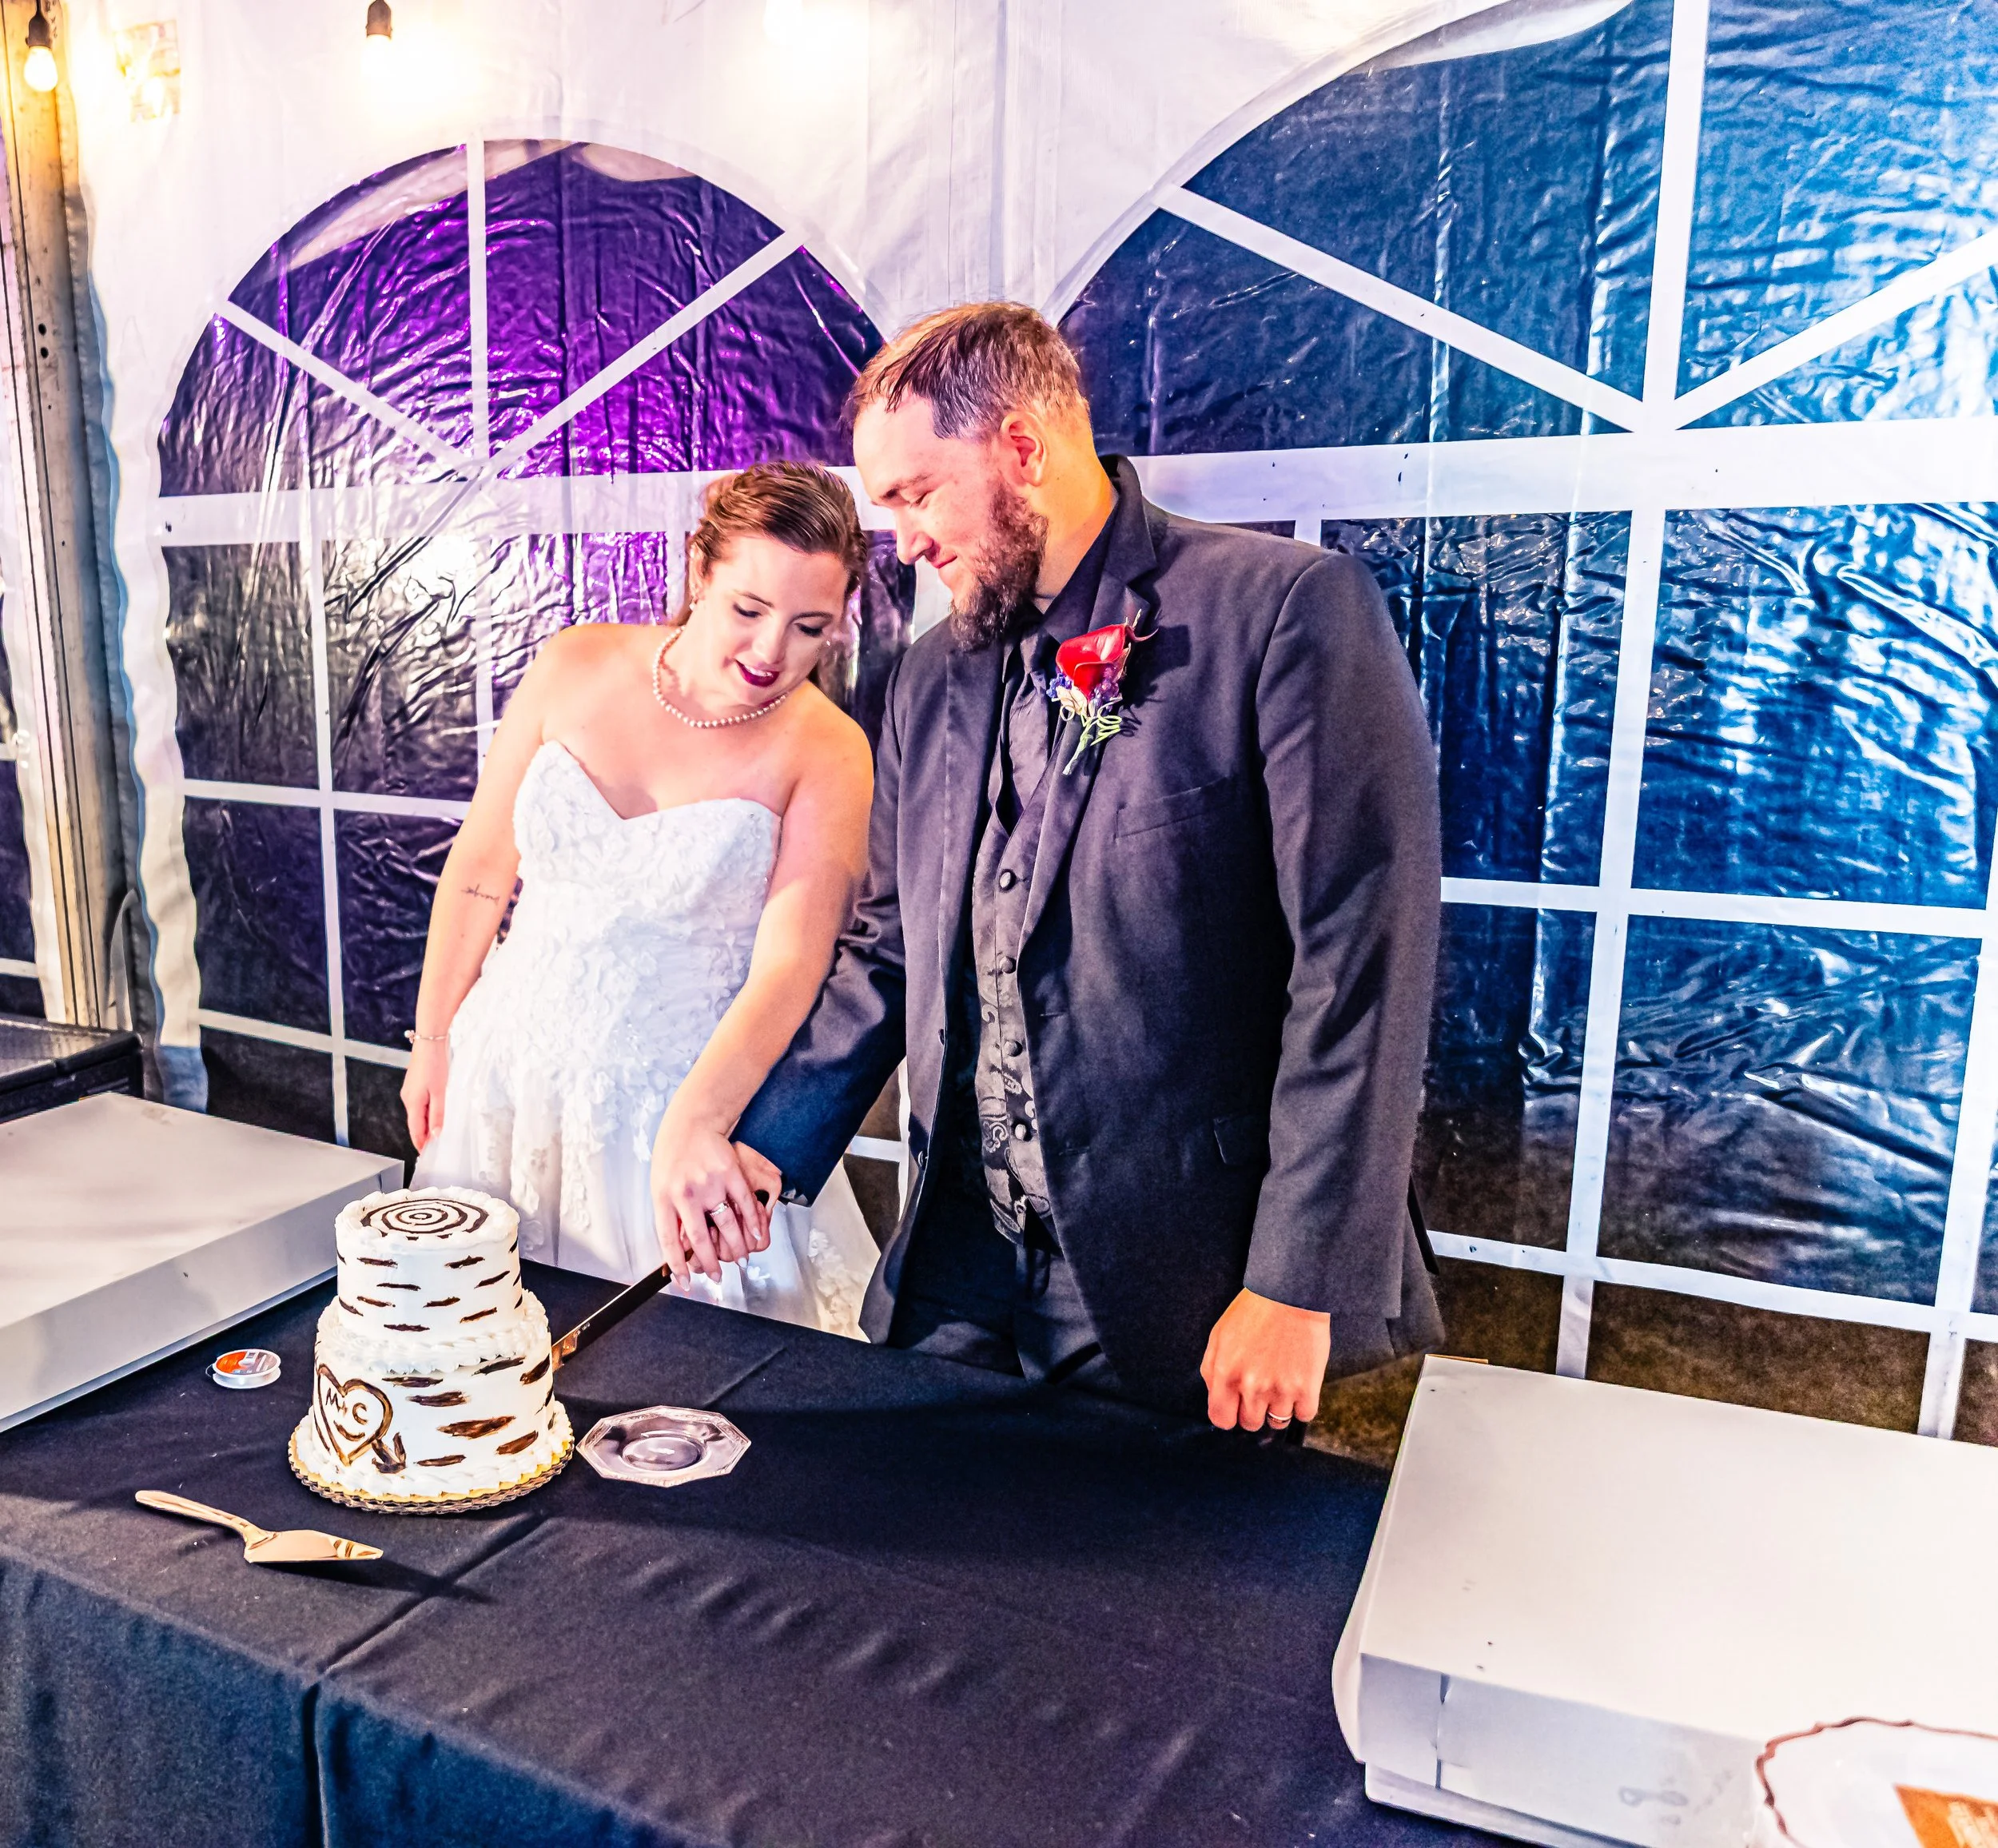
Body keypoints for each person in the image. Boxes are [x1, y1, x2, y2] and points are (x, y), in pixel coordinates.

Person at [657, 301, 1446, 1428]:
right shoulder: (929, 675)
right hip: (956, 1271)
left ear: (1022, 448)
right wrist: (766, 1147)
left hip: (1181, 1281)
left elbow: (1362, 963)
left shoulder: (1282, 610)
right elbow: (888, 948)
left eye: (915, 495)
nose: (905, 543)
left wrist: (1295, 1281)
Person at [403, 460, 881, 1336]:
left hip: (680, 1112)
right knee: (485, 1355)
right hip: (505, 1080)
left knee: (683, 1370)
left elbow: (792, 967)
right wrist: (433, 1039)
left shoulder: (829, 750)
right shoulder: (573, 661)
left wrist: (696, 1122)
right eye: (747, 609)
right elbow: (480, 865)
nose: (770, 652)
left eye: (809, 627)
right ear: (699, 570)